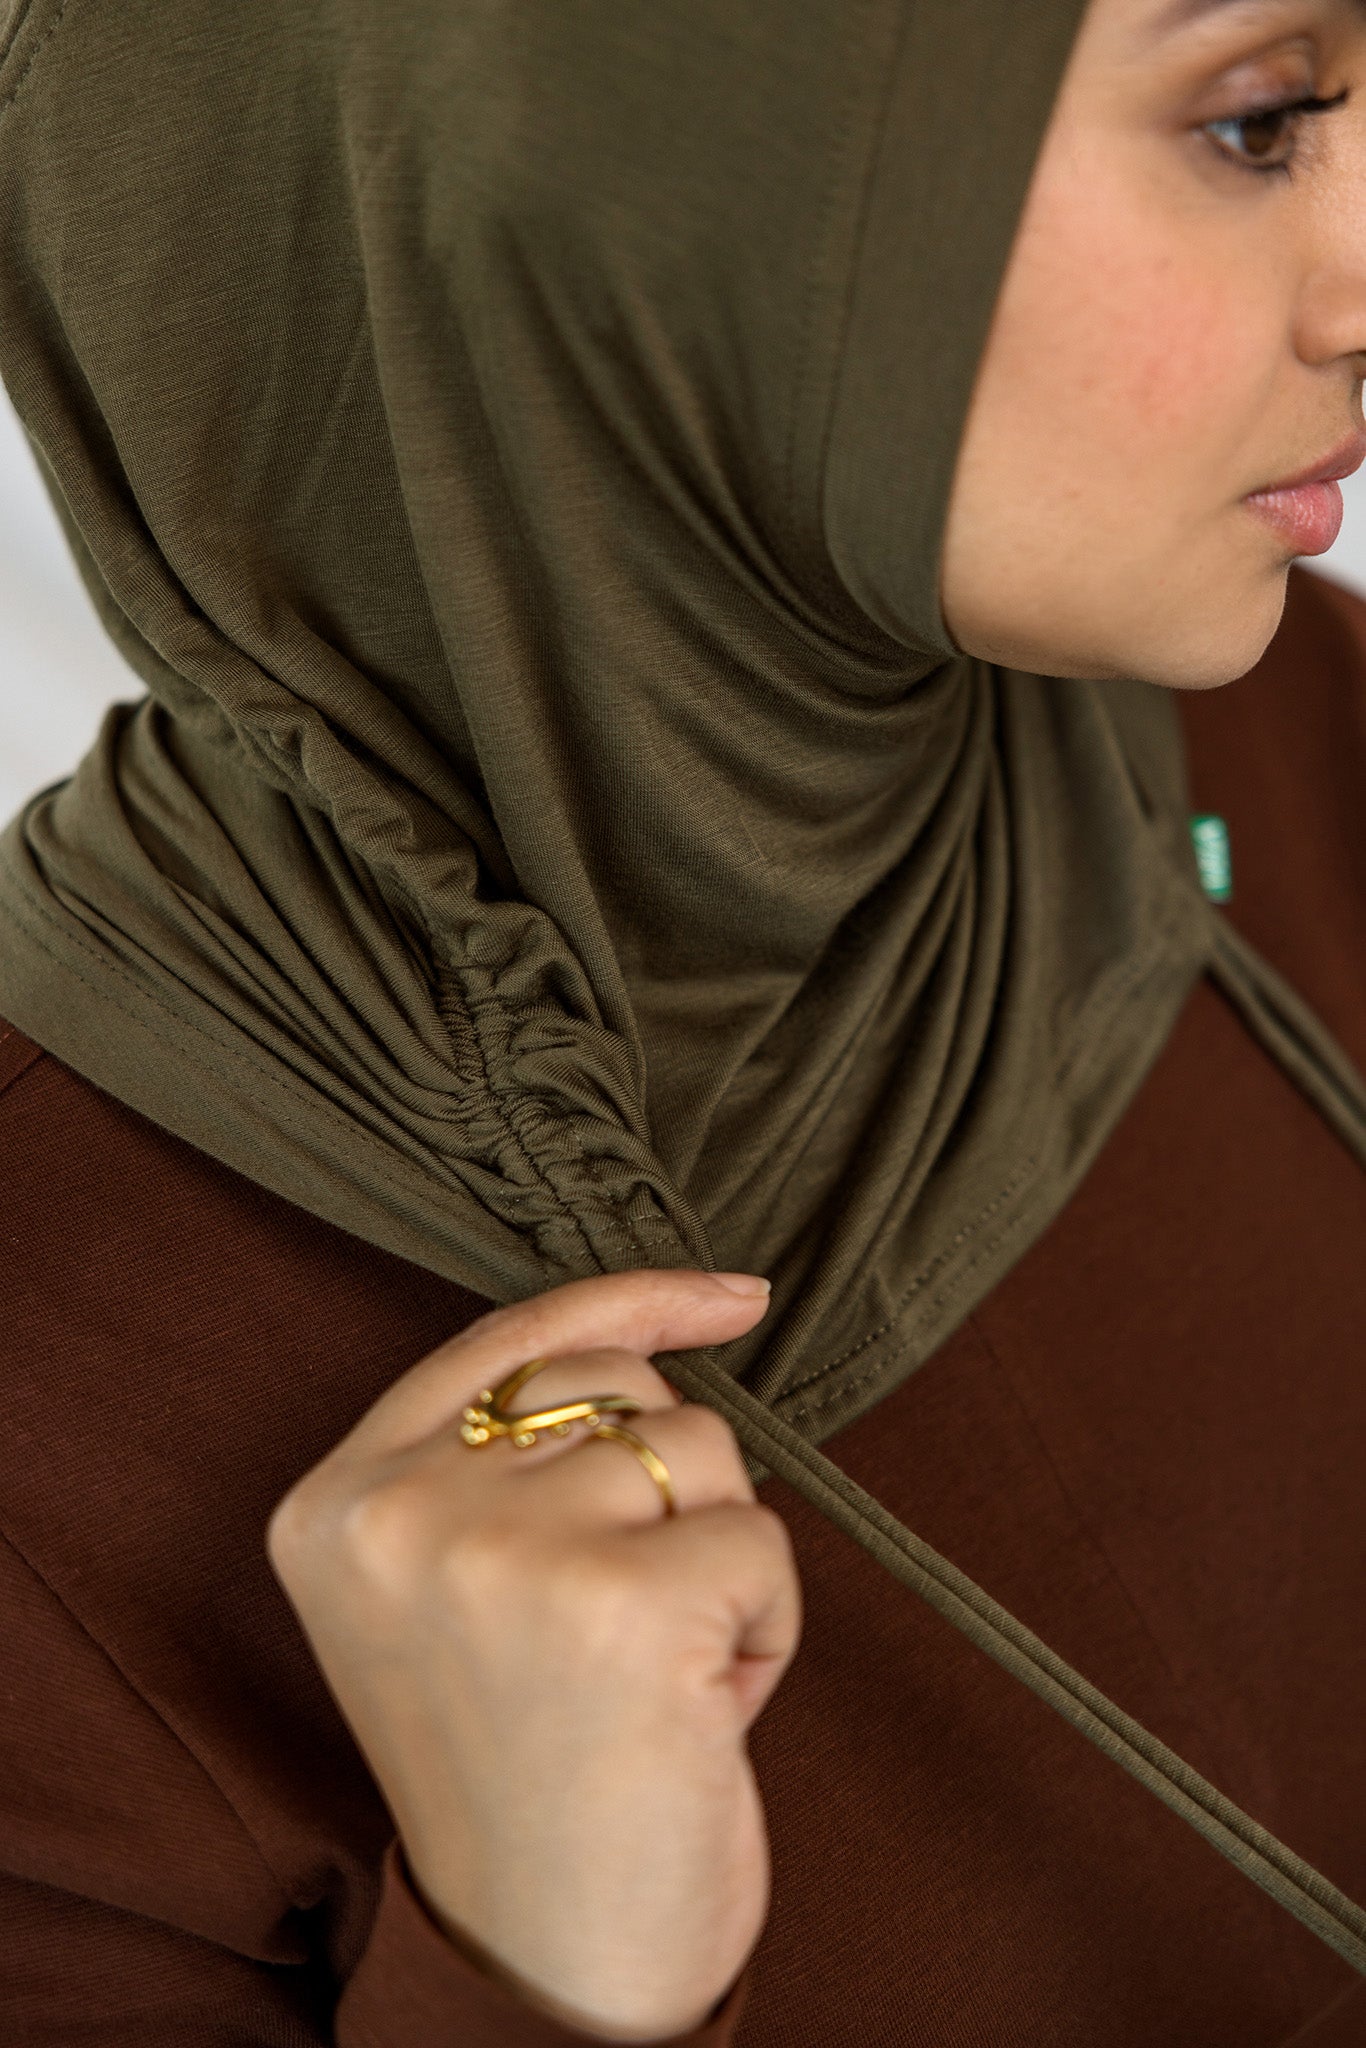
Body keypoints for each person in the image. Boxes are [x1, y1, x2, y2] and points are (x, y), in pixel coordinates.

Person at [3, 0, 1366, 2038]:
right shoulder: (49, 1433)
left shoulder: (1267, 724)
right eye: (1256, 122)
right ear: (623, 181)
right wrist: (540, 1975)